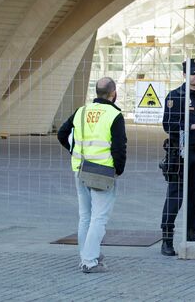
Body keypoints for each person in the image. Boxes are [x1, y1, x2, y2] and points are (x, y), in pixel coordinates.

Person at [57, 77, 127, 273]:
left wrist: (75, 151)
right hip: (103, 172)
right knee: (99, 218)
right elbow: (119, 147)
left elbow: (62, 134)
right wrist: (118, 170)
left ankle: (87, 253)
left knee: (85, 216)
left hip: (80, 169)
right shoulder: (114, 115)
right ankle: (89, 261)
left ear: (97, 92)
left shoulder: (82, 111)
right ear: (113, 94)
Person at [160, 58, 195, 256]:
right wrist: (192, 126)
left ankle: (191, 236)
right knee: (176, 195)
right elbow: (168, 125)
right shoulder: (176, 96)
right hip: (180, 152)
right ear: (184, 75)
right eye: (192, 72)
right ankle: (167, 239)